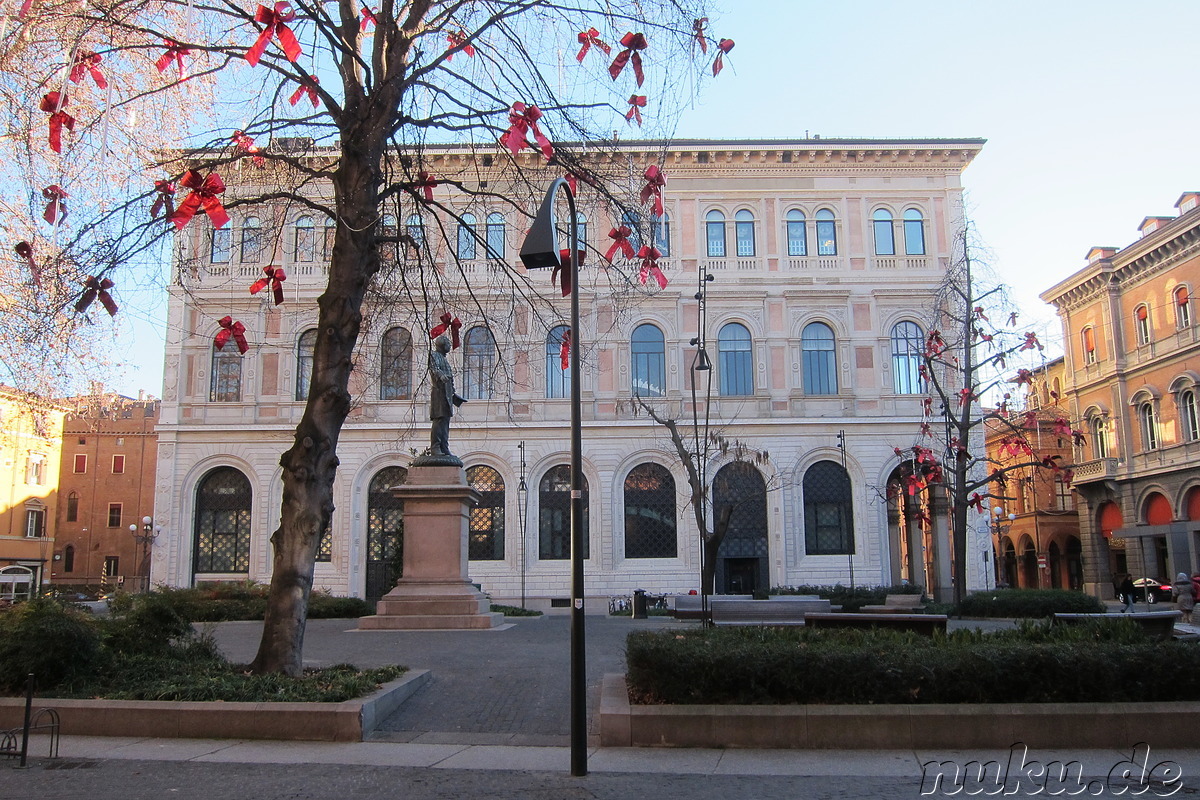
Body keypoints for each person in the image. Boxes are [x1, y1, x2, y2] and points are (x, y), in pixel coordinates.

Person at [427, 334, 464, 457]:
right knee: (439, 420)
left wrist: (454, 394)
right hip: (439, 392)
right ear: (442, 345)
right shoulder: (434, 355)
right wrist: (440, 375)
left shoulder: (444, 359)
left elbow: (450, 379)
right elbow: (434, 368)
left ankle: (444, 447)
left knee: (445, 422)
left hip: (447, 394)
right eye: (448, 343)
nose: (450, 345)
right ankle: (435, 447)